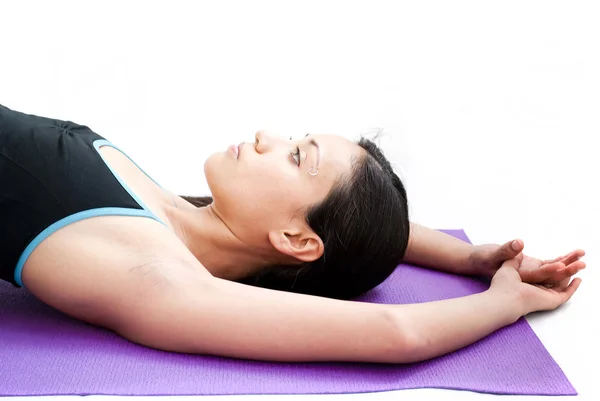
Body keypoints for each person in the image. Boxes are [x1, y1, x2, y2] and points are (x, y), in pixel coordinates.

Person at [0, 103, 585, 363]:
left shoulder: (155, 276)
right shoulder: (178, 210)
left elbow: (397, 331)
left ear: (296, 241)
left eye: (295, 156)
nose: (265, 135)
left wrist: (505, 303)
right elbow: (359, 230)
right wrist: (468, 257)